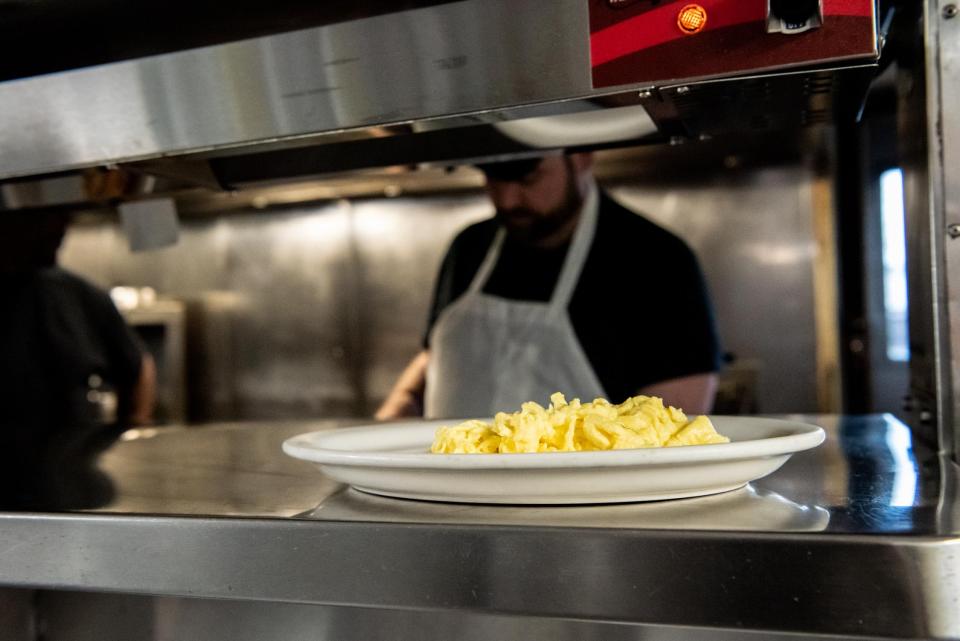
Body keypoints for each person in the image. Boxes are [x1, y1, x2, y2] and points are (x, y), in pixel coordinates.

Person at [376, 152, 721, 420]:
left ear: (582, 157)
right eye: (492, 178)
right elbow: (433, 360)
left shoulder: (656, 259)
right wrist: (396, 416)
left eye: (529, 177)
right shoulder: (469, 247)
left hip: (583, 503)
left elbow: (675, 425)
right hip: (442, 494)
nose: (508, 200)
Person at [0, 210, 155, 510]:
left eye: (62, 219)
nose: (60, 228)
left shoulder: (79, 294)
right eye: (42, 220)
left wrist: (134, 431)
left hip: (68, 482)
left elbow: (139, 366)